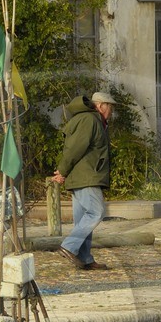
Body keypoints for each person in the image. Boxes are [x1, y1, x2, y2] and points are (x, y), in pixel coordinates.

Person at [51, 90, 115, 270]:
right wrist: (62, 170)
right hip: (86, 176)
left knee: (82, 220)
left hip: (80, 176)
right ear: (101, 105)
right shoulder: (90, 120)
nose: (111, 111)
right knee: (96, 212)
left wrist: (64, 171)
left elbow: (75, 148)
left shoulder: (88, 119)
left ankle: (84, 258)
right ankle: (69, 246)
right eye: (110, 107)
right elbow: (75, 148)